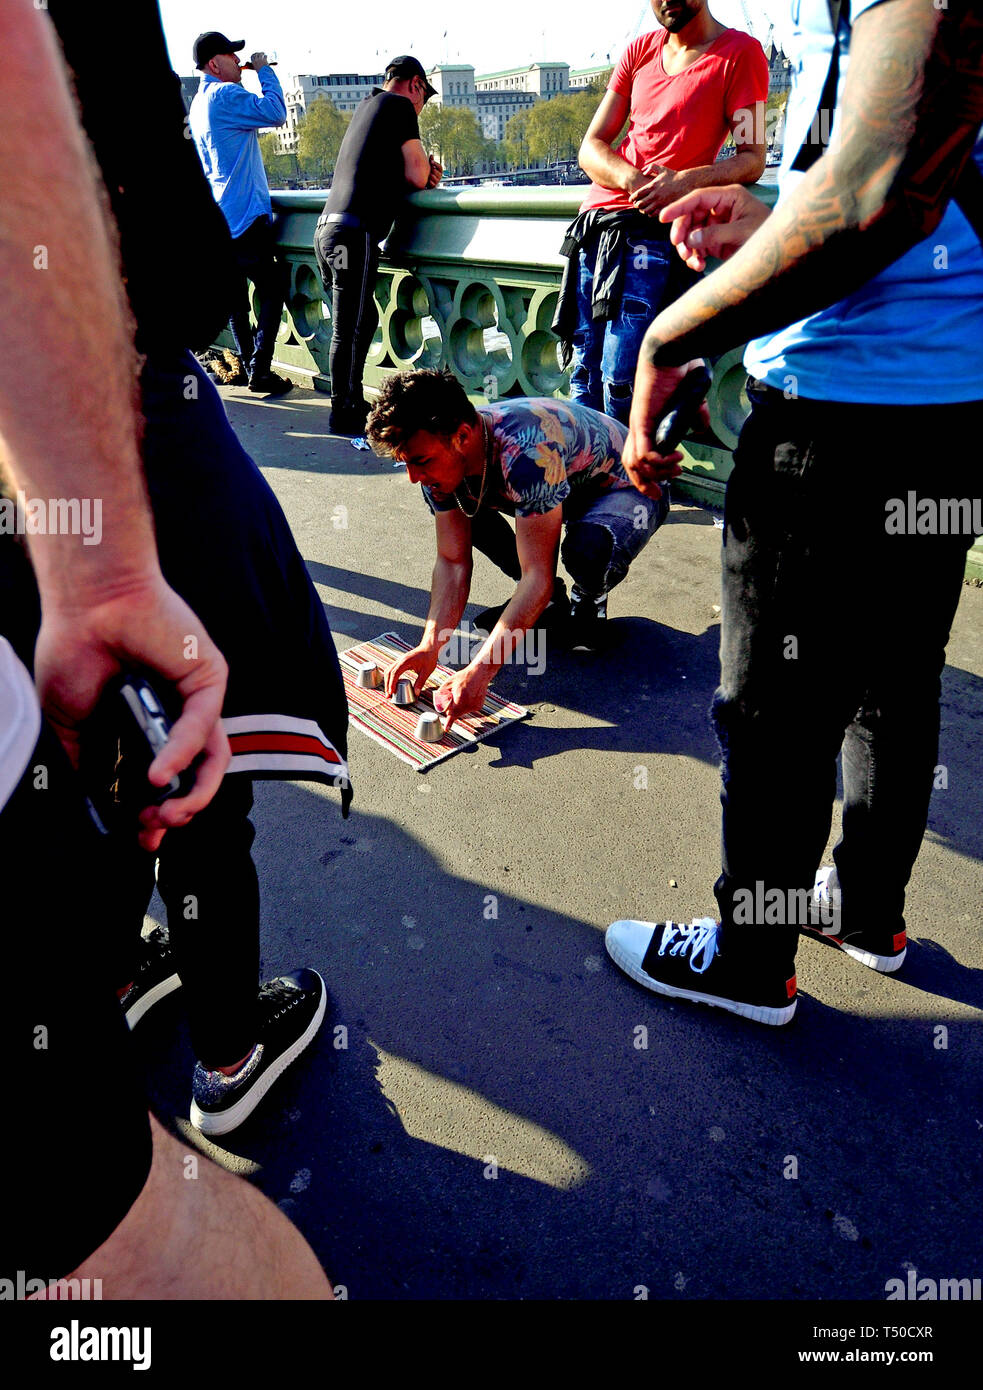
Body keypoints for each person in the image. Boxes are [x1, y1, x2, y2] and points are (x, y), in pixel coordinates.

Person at [4, 0, 332, 1296]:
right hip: (95, 408)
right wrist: (106, 565)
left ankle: (103, 987)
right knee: (190, 776)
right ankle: (227, 1059)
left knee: (74, 774)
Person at [603, 0, 983, 1025]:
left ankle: (749, 958)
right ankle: (866, 915)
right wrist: (766, 216)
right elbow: (906, 187)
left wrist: (668, 337)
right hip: (943, 413)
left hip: (833, 425)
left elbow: (870, 200)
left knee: (771, 712)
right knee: (893, 686)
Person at [365, 369, 672, 712]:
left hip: (630, 487)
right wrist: (429, 647)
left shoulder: (526, 453)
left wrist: (479, 673)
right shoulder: (443, 456)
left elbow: (535, 577)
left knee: (585, 549)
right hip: (560, 487)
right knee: (455, 495)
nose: (413, 477)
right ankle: (551, 602)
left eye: (421, 462)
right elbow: (452, 562)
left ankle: (588, 599)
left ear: (462, 435)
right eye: (405, 464)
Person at [552, 0, 767, 425]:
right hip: (594, 228)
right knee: (582, 375)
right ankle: (591, 481)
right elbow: (590, 148)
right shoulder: (639, 51)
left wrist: (682, 183)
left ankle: (638, 487)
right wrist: (634, 181)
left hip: (651, 238)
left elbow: (752, 158)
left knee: (623, 380)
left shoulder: (742, 53)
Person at [315, 56, 443, 436]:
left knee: (361, 318)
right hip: (355, 233)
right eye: (424, 97)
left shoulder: (367, 106)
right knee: (348, 326)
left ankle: (351, 399)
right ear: (415, 84)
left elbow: (384, 169)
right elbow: (418, 173)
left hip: (325, 231)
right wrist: (429, 171)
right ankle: (344, 412)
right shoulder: (400, 105)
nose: (421, 107)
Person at [189, 30, 293, 396]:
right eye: (232, 57)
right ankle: (260, 369)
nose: (239, 62)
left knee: (236, 302)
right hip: (247, 216)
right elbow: (276, 113)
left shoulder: (199, 103)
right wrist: (264, 71)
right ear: (214, 64)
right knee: (273, 288)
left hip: (220, 218)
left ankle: (252, 366)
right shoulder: (225, 94)